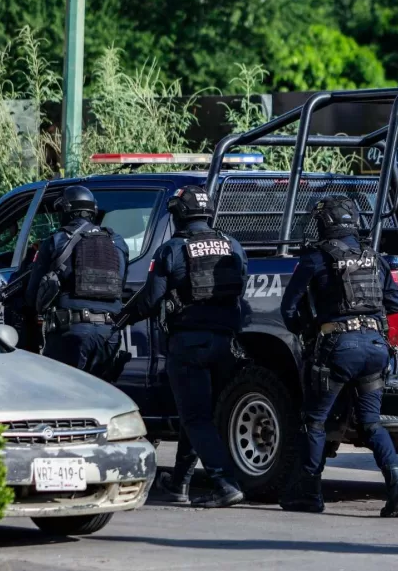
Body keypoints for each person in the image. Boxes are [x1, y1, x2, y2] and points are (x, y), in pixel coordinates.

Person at [278, 195, 398, 518]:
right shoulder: (372, 257)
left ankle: (310, 494)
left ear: (326, 224)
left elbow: (288, 308)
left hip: (338, 349)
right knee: (371, 424)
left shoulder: (316, 258)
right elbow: (397, 304)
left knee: (315, 421)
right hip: (376, 350)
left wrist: (310, 330)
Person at [134, 185, 248, 508]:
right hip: (226, 346)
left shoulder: (172, 250)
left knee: (196, 417)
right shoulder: (233, 245)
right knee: (197, 414)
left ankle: (225, 483)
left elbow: (151, 299)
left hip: (189, 346)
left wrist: (124, 315)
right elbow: (241, 281)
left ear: (180, 216)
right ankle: (180, 483)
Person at [24, 185, 129, 376]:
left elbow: (31, 297)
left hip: (71, 335)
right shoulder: (117, 242)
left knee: (67, 399)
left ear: (66, 210)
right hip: (109, 335)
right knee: (104, 399)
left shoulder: (56, 241)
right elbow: (119, 285)